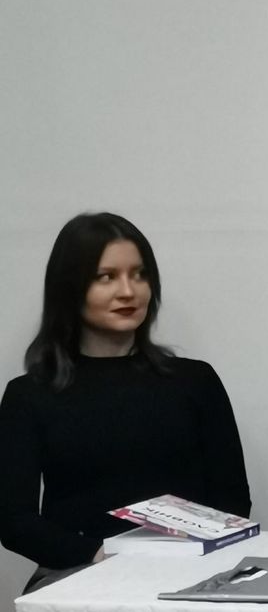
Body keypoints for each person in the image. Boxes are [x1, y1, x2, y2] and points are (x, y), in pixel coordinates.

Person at [0, 213, 251, 591]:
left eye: (139, 274)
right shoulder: (30, 395)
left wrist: (178, 560)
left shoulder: (195, 381)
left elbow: (232, 501)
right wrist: (101, 556)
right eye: (106, 277)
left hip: (190, 572)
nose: (128, 291)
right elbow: (14, 522)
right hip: (79, 573)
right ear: (70, 288)